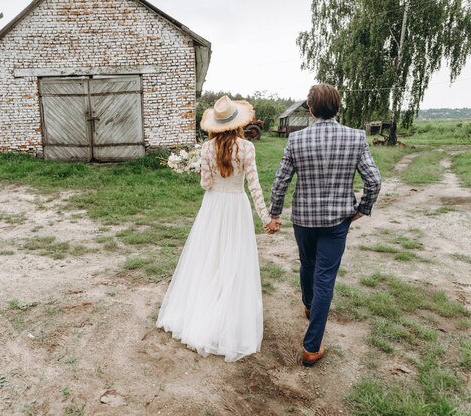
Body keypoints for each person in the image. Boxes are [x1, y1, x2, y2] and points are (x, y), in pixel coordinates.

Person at [265, 84, 381, 367]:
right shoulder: (356, 137)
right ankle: (311, 346)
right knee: (325, 277)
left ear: (311, 109)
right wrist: (361, 209)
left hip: (304, 219)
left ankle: (308, 304)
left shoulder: (296, 140)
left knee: (307, 263)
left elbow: (281, 181)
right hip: (337, 220)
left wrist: (275, 213)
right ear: (338, 107)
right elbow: (374, 180)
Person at [156, 96, 271, 362]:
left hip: (213, 206)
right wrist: (265, 218)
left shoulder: (207, 149)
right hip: (236, 206)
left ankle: (203, 310)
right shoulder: (246, 148)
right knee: (234, 257)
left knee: (209, 257)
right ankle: (229, 312)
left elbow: (206, 185)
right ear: (238, 123)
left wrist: (203, 176)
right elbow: (254, 186)